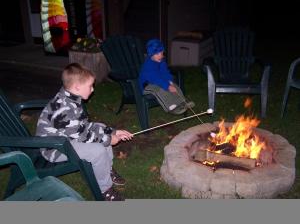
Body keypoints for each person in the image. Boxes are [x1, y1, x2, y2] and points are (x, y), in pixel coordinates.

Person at [35, 63, 133, 201]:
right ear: (77, 87)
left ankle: (106, 169)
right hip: (55, 148)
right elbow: (83, 135)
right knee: (97, 150)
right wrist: (109, 139)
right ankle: (105, 190)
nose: (93, 89)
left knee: (101, 128)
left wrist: (113, 131)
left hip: (67, 137)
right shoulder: (65, 109)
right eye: (90, 86)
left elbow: (85, 126)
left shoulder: (72, 98)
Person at [138, 38, 195, 115]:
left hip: (158, 81)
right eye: (157, 54)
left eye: (161, 53)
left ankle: (183, 102)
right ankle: (171, 107)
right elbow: (155, 79)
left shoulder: (161, 61)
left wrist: (169, 81)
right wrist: (167, 86)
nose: (160, 56)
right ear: (151, 55)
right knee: (160, 90)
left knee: (174, 86)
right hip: (147, 85)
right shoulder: (148, 65)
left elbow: (165, 72)